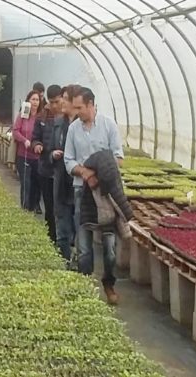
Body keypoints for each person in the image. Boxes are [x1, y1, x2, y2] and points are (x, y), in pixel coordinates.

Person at [64, 87, 124, 305]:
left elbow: (118, 158)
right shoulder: (73, 129)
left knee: (109, 245)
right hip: (82, 190)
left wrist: (98, 172)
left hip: (105, 193)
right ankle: (85, 286)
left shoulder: (108, 126)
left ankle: (109, 284)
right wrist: (85, 173)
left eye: (80, 107)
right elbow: (68, 160)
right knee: (84, 244)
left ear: (90, 104)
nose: (77, 111)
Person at [50, 85, 80, 265]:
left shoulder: (81, 126)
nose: (62, 101)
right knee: (61, 229)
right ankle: (64, 264)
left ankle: (77, 264)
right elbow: (49, 147)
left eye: (65, 98)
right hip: (61, 183)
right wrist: (52, 154)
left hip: (77, 184)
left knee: (78, 230)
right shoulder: (58, 124)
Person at [31, 85, 62, 244]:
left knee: (61, 207)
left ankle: (64, 238)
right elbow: (35, 137)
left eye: (57, 101)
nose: (54, 106)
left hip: (62, 171)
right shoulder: (42, 118)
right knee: (49, 207)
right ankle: (52, 238)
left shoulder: (67, 119)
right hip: (45, 168)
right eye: (51, 102)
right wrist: (37, 145)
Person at [12, 90, 42, 211]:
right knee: (26, 183)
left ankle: (35, 205)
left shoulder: (41, 117)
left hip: (37, 156)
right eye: (33, 99)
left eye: (37, 100)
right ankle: (25, 207)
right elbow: (15, 130)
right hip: (23, 155)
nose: (35, 102)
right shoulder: (23, 115)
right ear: (28, 101)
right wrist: (24, 140)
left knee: (36, 183)